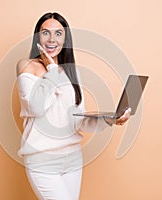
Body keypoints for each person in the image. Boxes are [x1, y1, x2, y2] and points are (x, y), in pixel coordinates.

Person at [16, 12, 131, 200]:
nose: (52, 39)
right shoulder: (27, 66)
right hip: (43, 161)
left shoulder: (72, 71)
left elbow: (77, 121)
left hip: (72, 159)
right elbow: (36, 107)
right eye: (46, 33)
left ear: (65, 39)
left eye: (58, 34)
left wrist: (111, 119)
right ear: (37, 37)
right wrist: (52, 69)